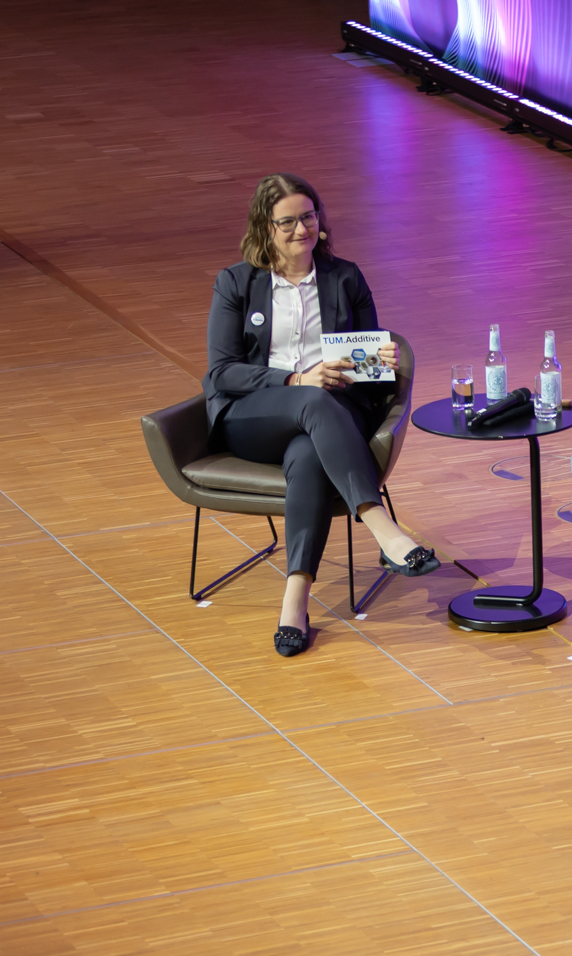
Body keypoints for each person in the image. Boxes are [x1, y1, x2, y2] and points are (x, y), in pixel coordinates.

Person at [204, 173, 430, 658]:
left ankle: (295, 601)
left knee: (308, 454)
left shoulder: (344, 277)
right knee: (311, 398)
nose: (301, 229)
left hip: (326, 420)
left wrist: (377, 364)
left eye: (308, 217)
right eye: (287, 222)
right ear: (265, 228)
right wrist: (295, 379)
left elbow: (370, 375)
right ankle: (381, 526)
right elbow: (222, 372)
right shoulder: (236, 283)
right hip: (253, 416)